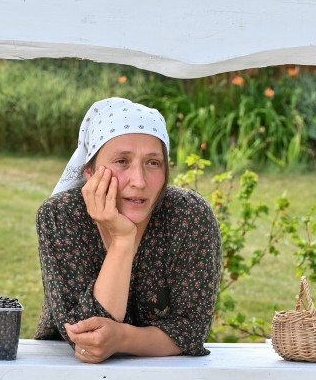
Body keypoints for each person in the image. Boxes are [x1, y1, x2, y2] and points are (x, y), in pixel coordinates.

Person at [36, 97, 221, 362]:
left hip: (168, 375)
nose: (139, 181)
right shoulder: (61, 215)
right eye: (122, 161)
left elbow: (191, 330)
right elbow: (86, 336)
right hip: (68, 373)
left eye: (153, 162)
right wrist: (123, 239)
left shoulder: (189, 215)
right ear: (90, 172)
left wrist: (122, 338)